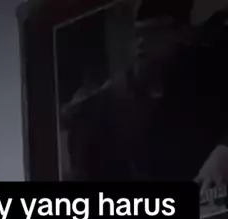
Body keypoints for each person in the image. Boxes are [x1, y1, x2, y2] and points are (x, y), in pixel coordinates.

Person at [65, 0, 228, 193]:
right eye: (138, 34)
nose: (141, 42)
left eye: (154, 32)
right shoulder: (106, 106)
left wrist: (224, 150)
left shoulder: (209, 69)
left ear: (182, 34)